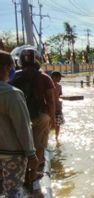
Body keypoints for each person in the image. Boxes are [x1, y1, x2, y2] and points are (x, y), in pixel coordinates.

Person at [10, 46, 56, 186]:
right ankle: (32, 175)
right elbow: (51, 101)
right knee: (39, 146)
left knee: (21, 146)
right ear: (37, 60)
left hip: (18, 117)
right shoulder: (44, 77)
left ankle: (22, 174)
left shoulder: (14, 76)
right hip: (40, 116)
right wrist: (52, 118)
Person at [0, 50, 38, 197]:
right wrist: (31, 154)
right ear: (5, 68)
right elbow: (23, 127)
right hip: (12, 153)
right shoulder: (12, 94)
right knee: (13, 191)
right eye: (12, 66)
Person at [51, 71, 65, 141]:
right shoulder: (59, 87)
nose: (60, 79)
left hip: (52, 107)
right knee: (58, 124)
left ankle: (56, 138)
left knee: (53, 124)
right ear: (54, 77)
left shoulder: (49, 85)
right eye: (59, 77)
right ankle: (56, 138)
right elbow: (58, 96)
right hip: (56, 108)